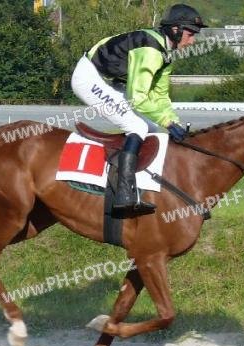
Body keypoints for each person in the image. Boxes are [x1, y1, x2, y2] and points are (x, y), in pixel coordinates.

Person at [71, 3, 207, 214]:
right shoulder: (151, 50)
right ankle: (123, 193)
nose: (192, 41)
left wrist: (174, 121)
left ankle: (143, 186)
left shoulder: (166, 53)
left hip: (110, 81)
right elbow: (138, 98)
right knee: (137, 126)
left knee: (152, 128)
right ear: (175, 30)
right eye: (190, 34)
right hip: (89, 78)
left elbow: (160, 96)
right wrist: (167, 122)